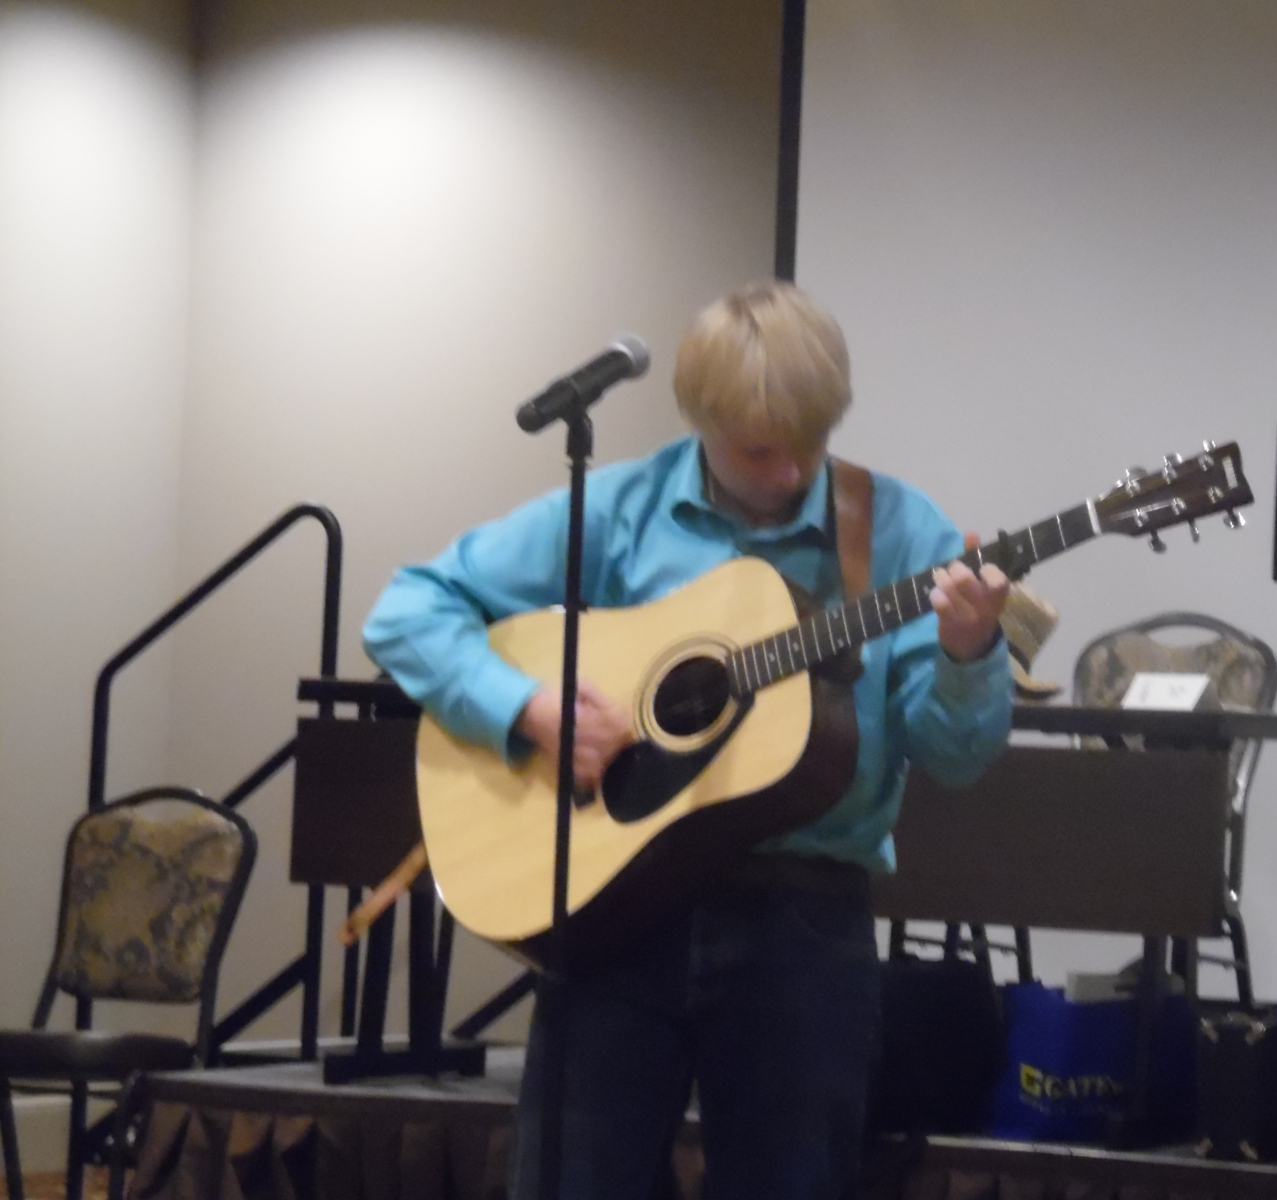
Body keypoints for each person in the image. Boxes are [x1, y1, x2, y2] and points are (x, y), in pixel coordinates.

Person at [362, 280, 1014, 1200]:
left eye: (810, 443)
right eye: (758, 450)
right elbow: (408, 610)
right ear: (700, 422)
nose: (789, 471)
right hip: (615, 908)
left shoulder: (901, 531)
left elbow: (955, 755)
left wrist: (969, 650)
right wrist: (528, 708)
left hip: (803, 925)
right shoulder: (620, 508)